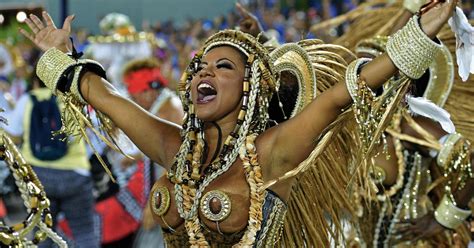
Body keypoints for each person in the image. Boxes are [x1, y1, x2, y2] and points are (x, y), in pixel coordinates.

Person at [20, 0, 458, 246]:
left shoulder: (271, 154)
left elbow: (340, 97)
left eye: (222, 66)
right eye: (197, 66)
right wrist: (60, 54)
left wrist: (417, 34)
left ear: (250, 87)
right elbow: (106, 95)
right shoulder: (173, 146)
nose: (202, 73)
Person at [3, 74, 99, 248]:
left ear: (35, 82)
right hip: (76, 174)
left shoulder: (28, 99)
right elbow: (90, 133)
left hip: (39, 177)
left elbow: (14, 135)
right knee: (85, 233)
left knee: (43, 234)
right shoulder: (73, 99)